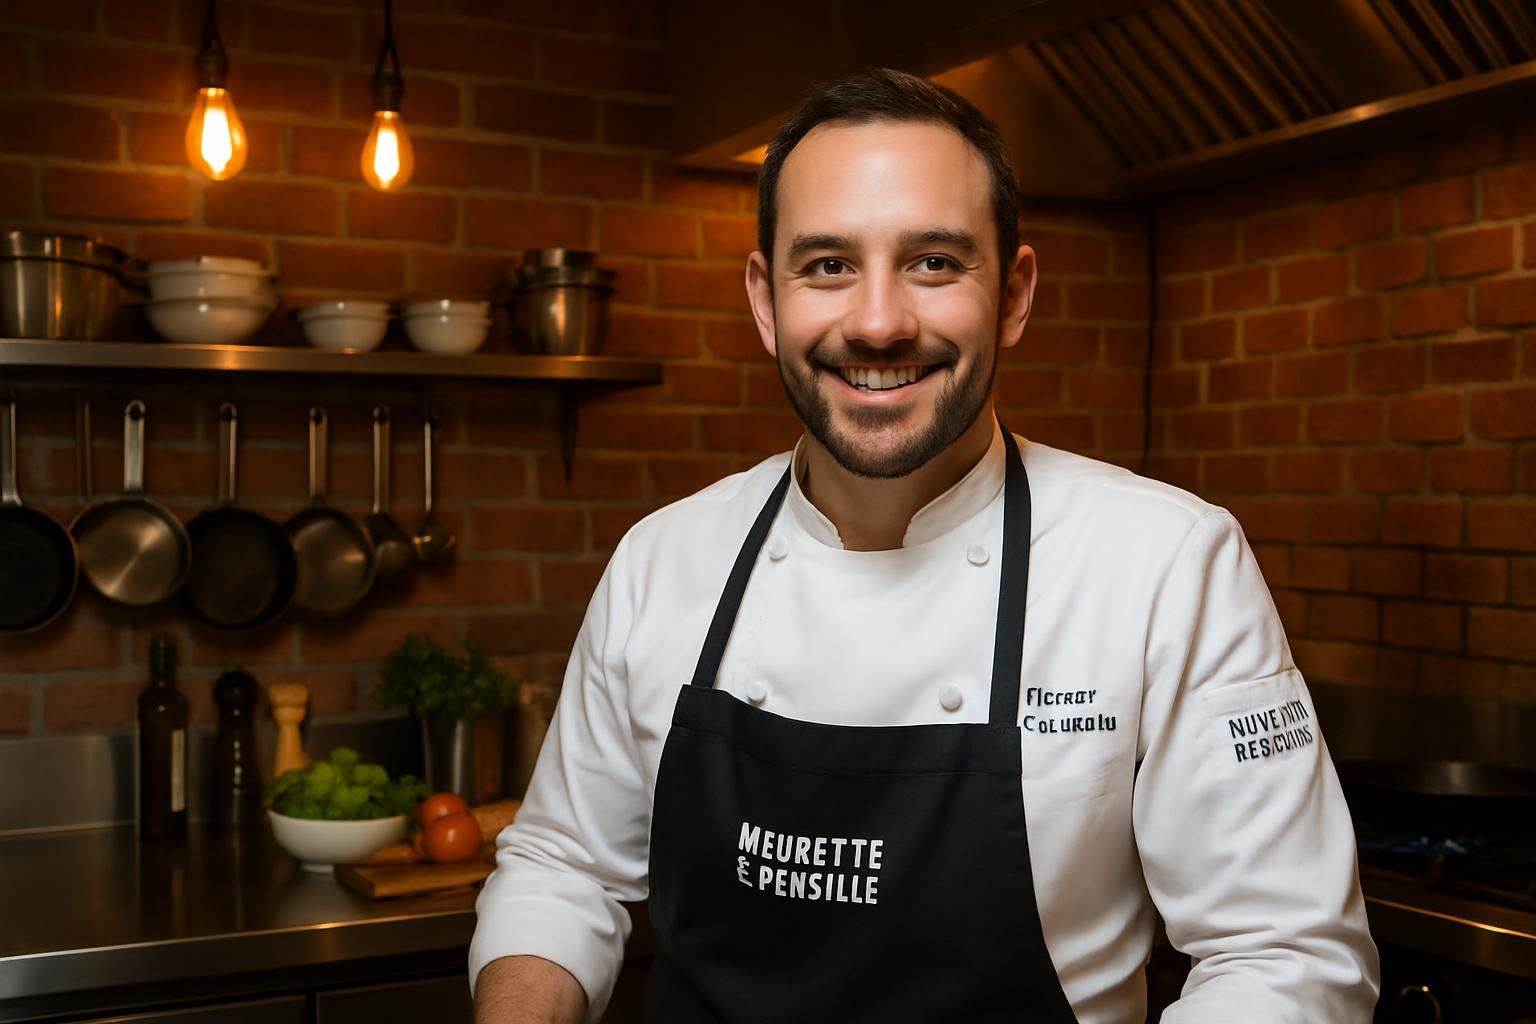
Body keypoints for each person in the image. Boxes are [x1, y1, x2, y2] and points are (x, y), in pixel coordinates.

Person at [469, 67, 1379, 1023]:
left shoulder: (1166, 564)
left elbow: (1283, 953)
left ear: (1014, 295)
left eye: (934, 262)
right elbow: (564, 867)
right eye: (828, 265)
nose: (878, 323)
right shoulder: (659, 562)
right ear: (766, 300)